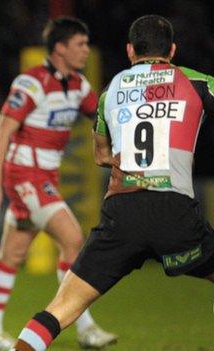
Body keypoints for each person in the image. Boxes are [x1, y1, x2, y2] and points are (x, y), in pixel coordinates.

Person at [11, 15, 214, 351]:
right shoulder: (196, 82)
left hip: (122, 213)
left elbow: (101, 155)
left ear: (130, 50)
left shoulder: (112, 88)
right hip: (174, 211)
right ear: (173, 50)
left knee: (60, 310)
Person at [0, 17, 117, 350]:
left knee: (12, 254)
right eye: (80, 44)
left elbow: (101, 118)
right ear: (59, 48)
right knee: (72, 239)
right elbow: (3, 132)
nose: (86, 50)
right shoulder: (32, 83)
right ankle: (85, 327)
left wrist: (108, 148)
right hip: (24, 175)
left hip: (45, 177)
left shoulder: (79, 86)